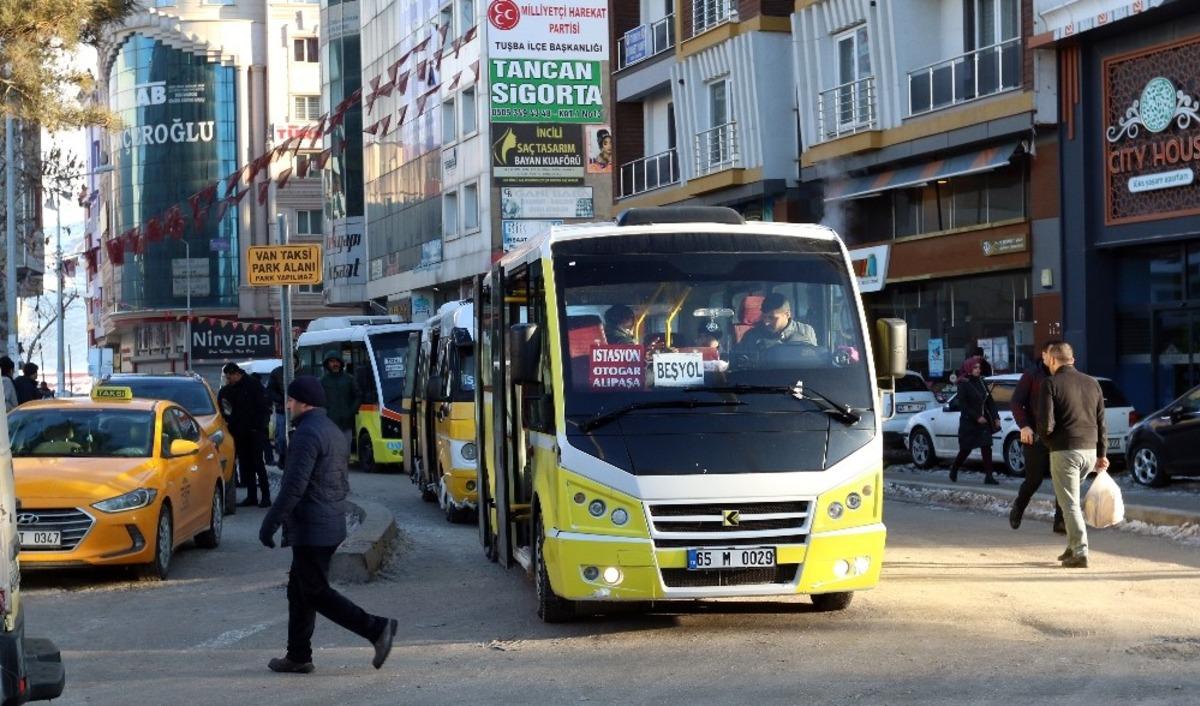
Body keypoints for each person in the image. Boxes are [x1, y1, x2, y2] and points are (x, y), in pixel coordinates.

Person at [258, 376, 397, 674]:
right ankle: (298, 655)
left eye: (291, 400)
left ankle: (377, 629)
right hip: (329, 522)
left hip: (312, 528)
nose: (288, 405)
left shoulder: (306, 434)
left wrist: (270, 524)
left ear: (304, 403)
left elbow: (293, 487)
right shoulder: (331, 430)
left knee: (316, 592)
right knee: (299, 590)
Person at [1037, 341, 1107, 569]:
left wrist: (1048, 442)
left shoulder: (1050, 383)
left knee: (1069, 504)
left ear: (1053, 360)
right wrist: (1102, 453)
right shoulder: (1092, 383)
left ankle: (1080, 551)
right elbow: (1101, 422)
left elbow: (1046, 423)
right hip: (1089, 451)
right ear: (1072, 360)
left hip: (1065, 450)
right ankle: (1072, 545)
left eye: (1048, 360)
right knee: (1071, 501)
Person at [1008, 340, 1065, 534]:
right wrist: (1024, 426)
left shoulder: (1064, 375)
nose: (1054, 357)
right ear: (1044, 355)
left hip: (1059, 436)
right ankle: (1019, 506)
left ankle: (1060, 521)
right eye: (1051, 353)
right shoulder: (1032, 375)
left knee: (1062, 479)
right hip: (1035, 435)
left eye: (1057, 353)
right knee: (1034, 479)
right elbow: (1016, 402)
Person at [219, 362, 272, 507]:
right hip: (239, 432)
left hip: (255, 431)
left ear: (237, 374)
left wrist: (259, 427)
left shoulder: (253, 385)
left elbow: (264, 407)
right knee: (246, 465)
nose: (228, 380)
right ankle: (252, 496)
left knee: (258, 464)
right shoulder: (229, 389)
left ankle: (265, 497)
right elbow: (225, 408)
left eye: (229, 377)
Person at [949, 356, 1000, 485]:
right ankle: (954, 468)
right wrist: (976, 417)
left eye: (979, 367)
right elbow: (964, 406)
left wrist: (996, 417)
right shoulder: (963, 384)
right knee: (966, 449)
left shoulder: (981, 382)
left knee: (986, 446)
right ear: (969, 369)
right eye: (975, 367)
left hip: (983, 421)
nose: (978, 370)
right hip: (969, 422)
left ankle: (989, 476)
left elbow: (990, 401)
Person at [735, 293, 818, 352]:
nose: (766, 322)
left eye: (771, 318)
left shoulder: (806, 331)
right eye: (764, 317)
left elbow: (813, 360)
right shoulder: (752, 336)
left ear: (787, 314)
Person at [320, 355, 360, 450]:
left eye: (337, 361)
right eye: (332, 361)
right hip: (329, 424)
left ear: (341, 363)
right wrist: (325, 414)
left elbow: (358, 396)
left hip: (346, 425)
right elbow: (318, 400)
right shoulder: (322, 381)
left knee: (345, 451)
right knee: (332, 452)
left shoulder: (349, 379)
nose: (335, 364)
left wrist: (351, 412)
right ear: (327, 364)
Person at [268, 355, 302, 468]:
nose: (292, 361)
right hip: (282, 409)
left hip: (300, 410)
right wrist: (282, 399)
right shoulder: (277, 372)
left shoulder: (302, 372)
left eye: (294, 358)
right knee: (282, 437)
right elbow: (270, 391)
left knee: (299, 436)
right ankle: (282, 456)